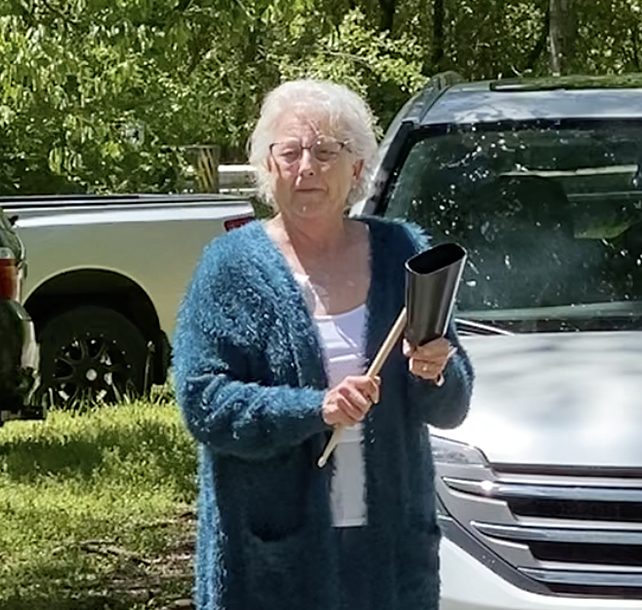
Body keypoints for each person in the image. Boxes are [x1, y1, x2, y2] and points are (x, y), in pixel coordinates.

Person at [171, 79, 475, 610]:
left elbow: (452, 402)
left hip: (388, 552)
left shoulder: (401, 250)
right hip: (272, 559)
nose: (305, 166)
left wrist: (436, 372)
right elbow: (204, 402)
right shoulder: (230, 267)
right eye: (289, 152)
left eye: (325, 151)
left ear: (357, 168)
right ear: (269, 169)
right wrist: (316, 409)